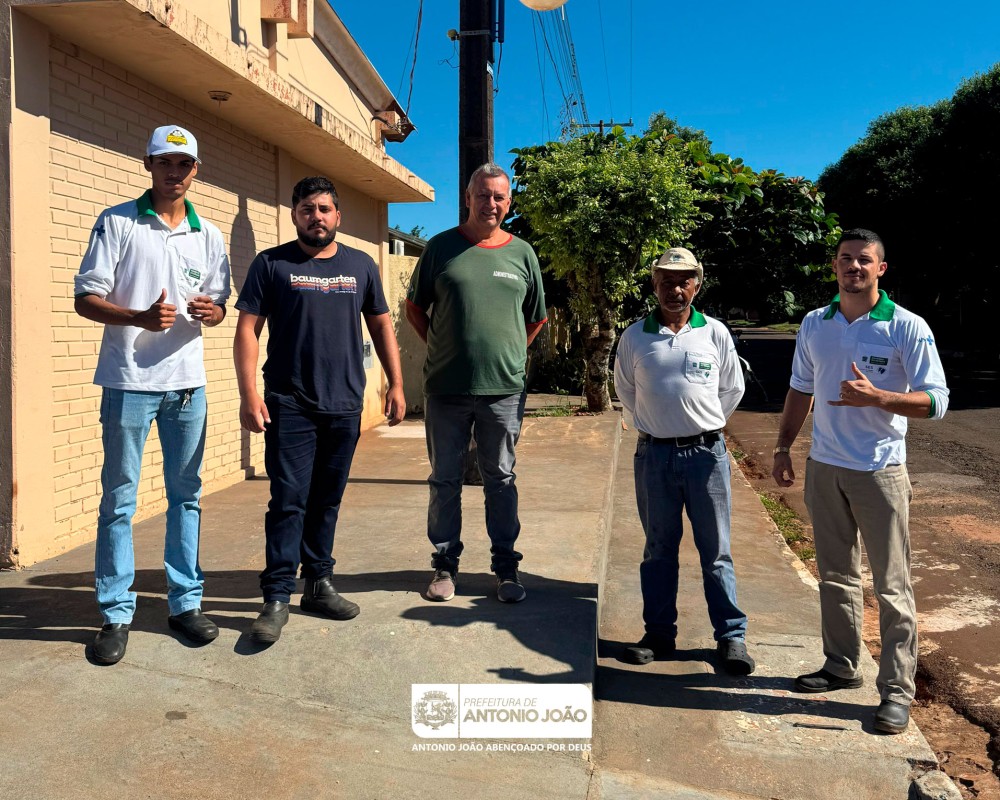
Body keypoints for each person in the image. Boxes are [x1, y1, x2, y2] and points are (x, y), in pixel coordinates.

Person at [772, 228, 949, 734]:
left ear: (880, 269)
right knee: (835, 576)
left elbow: (938, 400)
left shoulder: (906, 326)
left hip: (880, 472)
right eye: (845, 258)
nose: (854, 267)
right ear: (834, 266)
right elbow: (800, 388)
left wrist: (881, 398)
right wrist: (783, 447)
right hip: (825, 467)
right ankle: (841, 665)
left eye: (864, 260)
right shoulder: (815, 323)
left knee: (892, 586)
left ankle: (896, 691)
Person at [74, 125, 231, 664]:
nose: (173, 172)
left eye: (183, 164)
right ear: (147, 164)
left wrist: (213, 312)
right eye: (164, 161)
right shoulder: (117, 221)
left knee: (186, 497)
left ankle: (186, 604)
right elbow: (85, 298)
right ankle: (115, 613)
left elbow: (219, 302)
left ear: (196, 171)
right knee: (119, 499)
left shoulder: (208, 234)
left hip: (187, 387)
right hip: (128, 383)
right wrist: (137, 317)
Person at [234, 176, 405, 644]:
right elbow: (247, 330)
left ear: (337, 216)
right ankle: (276, 596)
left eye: (325, 209)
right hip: (289, 403)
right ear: (294, 214)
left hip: (344, 402)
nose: (317, 217)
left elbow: (382, 326)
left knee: (327, 499)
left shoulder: (361, 265)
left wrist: (396, 383)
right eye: (307, 209)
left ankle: (318, 583)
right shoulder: (272, 264)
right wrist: (249, 394)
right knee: (288, 500)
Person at [405, 163, 546, 604]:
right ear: (467, 198)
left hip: (503, 390)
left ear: (509, 202)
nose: (491, 203)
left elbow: (536, 318)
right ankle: (445, 565)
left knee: (500, 478)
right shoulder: (441, 248)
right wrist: (442, 347)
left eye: (499, 197)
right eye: (483, 195)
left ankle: (506, 567)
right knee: (444, 479)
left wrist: (511, 354)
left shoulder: (522, 253)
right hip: (446, 388)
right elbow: (414, 308)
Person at [614, 247, 754, 675]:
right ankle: (659, 634)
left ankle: (731, 637)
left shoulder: (714, 333)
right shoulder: (635, 337)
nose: (675, 289)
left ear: (697, 284)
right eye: (667, 281)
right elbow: (626, 391)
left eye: (684, 281)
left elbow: (732, 389)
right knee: (658, 550)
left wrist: (700, 425)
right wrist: (660, 426)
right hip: (654, 456)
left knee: (716, 551)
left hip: (706, 457)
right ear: (654, 285)